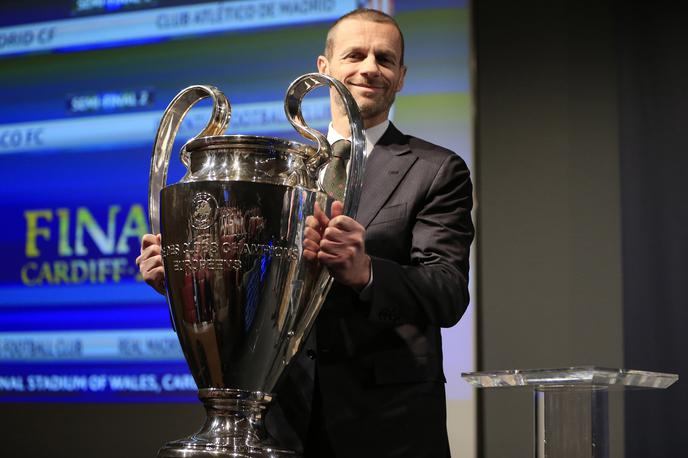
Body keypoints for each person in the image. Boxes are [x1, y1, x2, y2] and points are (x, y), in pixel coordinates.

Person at [137, 8, 474, 458]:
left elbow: (448, 292)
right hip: (280, 423)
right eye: (355, 54)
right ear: (324, 68)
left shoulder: (435, 170)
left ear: (402, 77)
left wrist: (367, 271)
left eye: (385, 59)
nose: (370, 67)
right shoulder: (277, 173)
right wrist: (188, 281)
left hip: (387, 428)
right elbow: (250, 288)